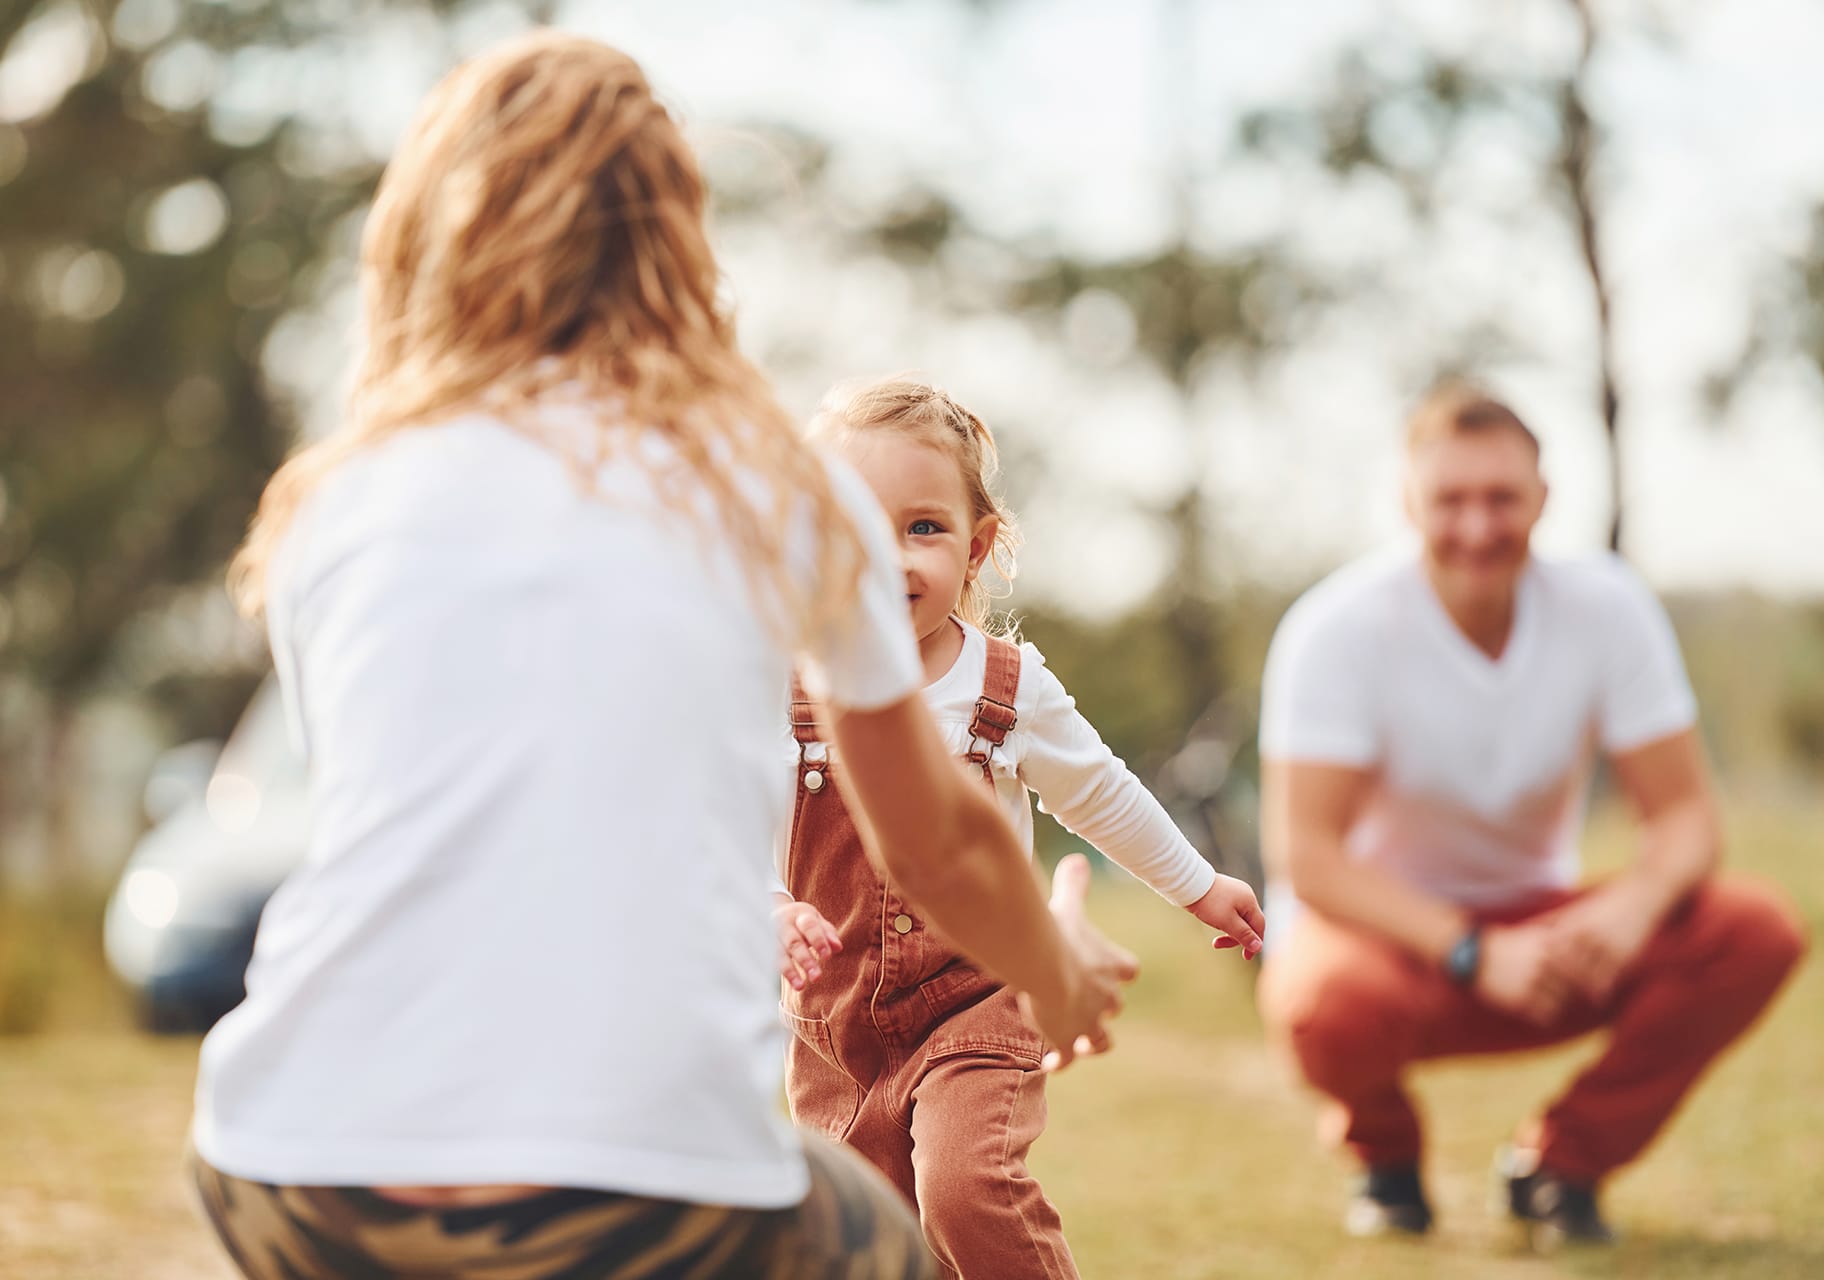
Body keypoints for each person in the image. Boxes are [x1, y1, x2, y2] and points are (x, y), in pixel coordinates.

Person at [187, 31, 1139, 1279]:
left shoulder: (334, 496)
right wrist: (1055, 970)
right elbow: (943, 843)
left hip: (284, 1166)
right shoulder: (771, 484)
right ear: (678, 239)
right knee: (887, 1250)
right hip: (644, 1196)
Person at [1255, 382, 1807, 1245]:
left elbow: (1689, 817)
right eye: (1451, 500)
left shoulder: (1606, 608)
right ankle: (1386, 1159)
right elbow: (1308, 859)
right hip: (1389, 944)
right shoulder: (1335, 630)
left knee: (1755, 930)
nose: (1478, 527)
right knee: (1327, 1002)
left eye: (1501, 498)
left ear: (1543, 499)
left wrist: (1629, 912)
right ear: (1409, 502)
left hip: (1548, 933)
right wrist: (1473, 952)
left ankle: (1561, 1164)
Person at [773, 378, 1266, 1279]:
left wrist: (1199, 885)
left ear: (978, 546)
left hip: (977, 1002)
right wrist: (764, 903)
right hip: (834, 1031)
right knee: (861, 1240)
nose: (891, 558)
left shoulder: (1006, 687)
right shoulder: (780, 684)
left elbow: (1100, 793)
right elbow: (723, 821)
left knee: (965, 1189)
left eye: (924, 527)